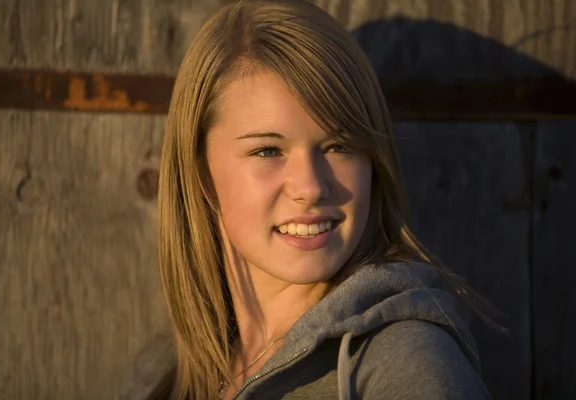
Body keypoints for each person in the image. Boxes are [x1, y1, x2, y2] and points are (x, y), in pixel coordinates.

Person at [120, 0, 494, 399]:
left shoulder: (404, 359)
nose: (311, 187)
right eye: (268, 151)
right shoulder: (161, 375)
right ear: (200, 174)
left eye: (338, 145)